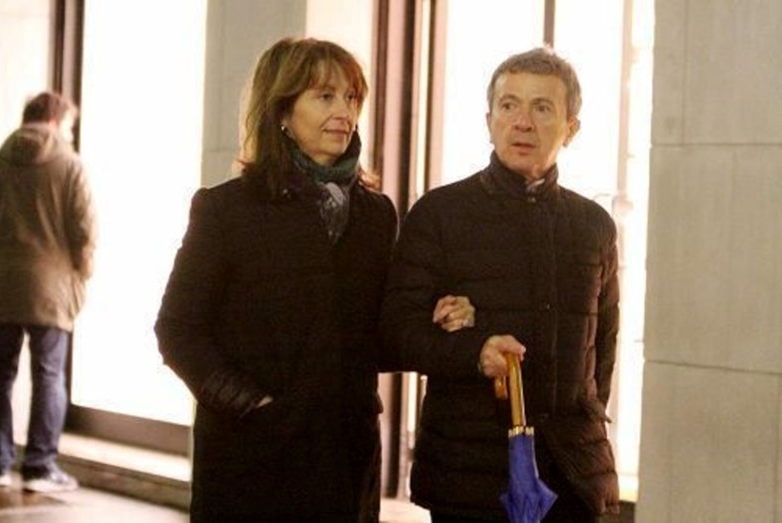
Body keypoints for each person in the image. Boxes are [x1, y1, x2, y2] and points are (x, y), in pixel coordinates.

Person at [154, 37, 474, 523]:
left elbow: (375, 335)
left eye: (351, 97)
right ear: (282, 110)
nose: (344, 112)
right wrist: (251, 405)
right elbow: (177, 330)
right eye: (325, 96)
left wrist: (435, 318)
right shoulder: (227, 209)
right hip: (251, 460)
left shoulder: (376, 214)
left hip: (346, 457)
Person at [381, 47, 620, 522]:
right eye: (509, 105)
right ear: (489, 120)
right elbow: (394, 335)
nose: (522, 122)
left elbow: (603, 352)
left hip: (572, 478)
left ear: (571, 128)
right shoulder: (440, 214)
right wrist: (475, 352)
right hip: (469, 477)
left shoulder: (593, 225)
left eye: (542, 108)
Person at [0, 92, 96, 493]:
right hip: (51, 289)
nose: (70, 134)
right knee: (48, 375)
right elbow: (85, 231)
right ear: (53, 120)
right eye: (68, 126)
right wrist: (81, 277)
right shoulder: (70, 166)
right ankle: (39, 467)